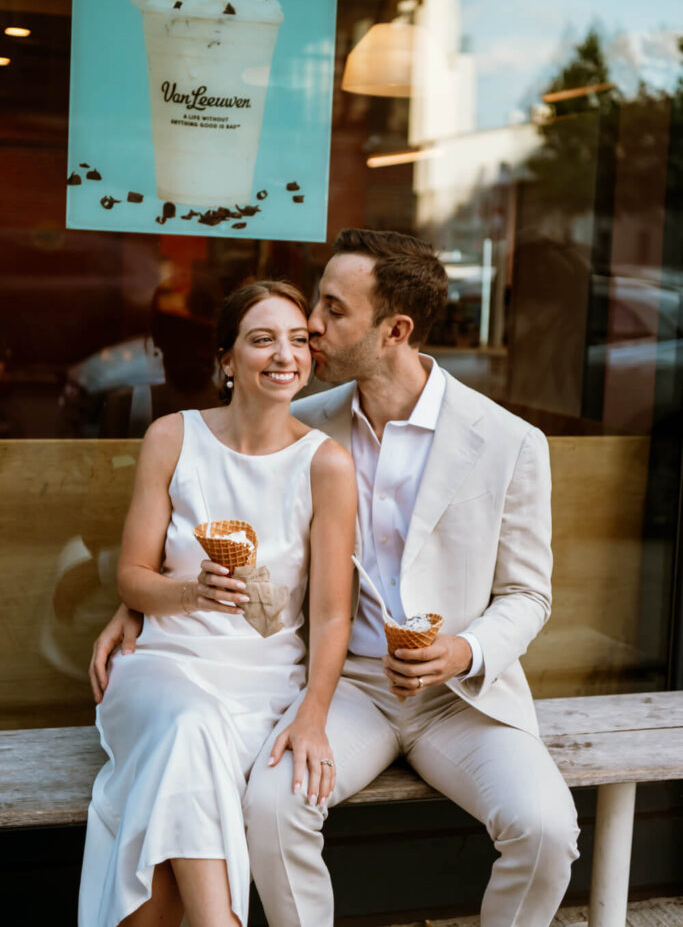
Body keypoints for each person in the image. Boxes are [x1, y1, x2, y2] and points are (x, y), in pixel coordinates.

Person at [91, 230, 580, 927]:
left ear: (394, 330)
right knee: (271, 804)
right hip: (348, 686)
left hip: (459, 700)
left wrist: (463, 652)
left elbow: (528, 594)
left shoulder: (506, 441)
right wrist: (137, 607)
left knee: (546, 830)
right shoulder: (303, 423)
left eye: (331, 309)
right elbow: (213, 517)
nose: (309, 329)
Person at [79, 280, 356, 927]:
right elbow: (131, 577)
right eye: (261, 340)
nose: (284, 354)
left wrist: (313, 712)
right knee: (189, 726)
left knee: (157, 849)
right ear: (226, 360)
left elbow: (331, 614)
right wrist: (187, 592)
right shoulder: (173, 438)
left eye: (297, 340)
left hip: (263, 686)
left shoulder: (326, 465)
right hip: (162, 666)